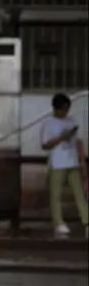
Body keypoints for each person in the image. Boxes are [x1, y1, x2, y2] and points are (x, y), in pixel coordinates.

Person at [40, 93, 88, 238]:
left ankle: (86, 221)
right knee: (56, 194)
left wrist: (82, 160)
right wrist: (61, 138)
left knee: (79, 193)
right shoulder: (48, 124)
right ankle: (58, 222)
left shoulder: (71, 121)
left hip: (72, 161)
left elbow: (78, 141)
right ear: (56, 108)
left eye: (67, 109)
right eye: (63, 109)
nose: (65, 112)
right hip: (58, 163)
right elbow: (45, 144)